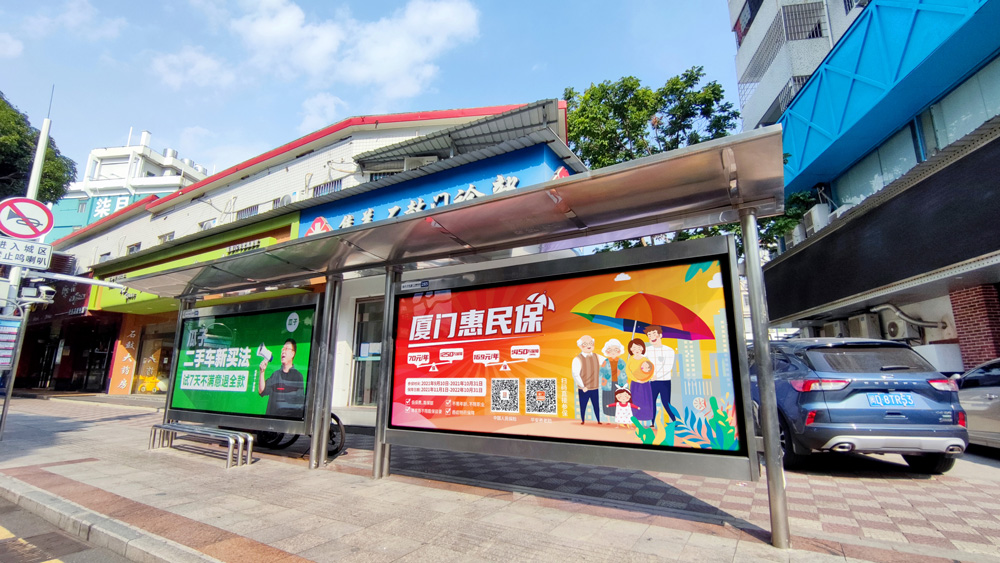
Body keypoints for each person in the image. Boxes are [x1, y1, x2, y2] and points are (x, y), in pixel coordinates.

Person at [258, 338, 306, 418]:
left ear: (292, 354)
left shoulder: (297, 376)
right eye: (282, 349)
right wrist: (262, 372)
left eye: (286, 349)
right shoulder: (275, 374)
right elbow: (262, 391)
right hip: (271, 420)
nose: (283, 351)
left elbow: (299, 404)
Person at [644, 325, 676, 426]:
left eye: (654, 334)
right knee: (651, 402)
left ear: (660, 335)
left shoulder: (669, 350)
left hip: (664, 381)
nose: (652, 337)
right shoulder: (647, 350)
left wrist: (656, 376)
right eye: (649, 335)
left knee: (666, 403)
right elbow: (641, 362)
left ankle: (675, 420)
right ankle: (652, 422)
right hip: (652, 381)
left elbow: (668, 367)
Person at [571, 335, 602, 425]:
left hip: (595, 387)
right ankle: (583, 420)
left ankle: (598, 420)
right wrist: (582, 386)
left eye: (591, 343)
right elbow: (575, 374)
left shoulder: (597, 356)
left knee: (596, 405)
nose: (589, 345)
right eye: (585, 344)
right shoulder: (577, 359)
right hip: (584, 388)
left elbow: (606, 362)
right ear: (580, 346)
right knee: (583, 405)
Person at [625, 338, 654, 427]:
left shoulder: (645, 359)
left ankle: (645, 422)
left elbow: (651, 371)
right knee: (635, 401)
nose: (636, 350)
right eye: (634, 348)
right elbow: (628, 371)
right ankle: (635, 421)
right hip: (635, 384)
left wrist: (645, 380)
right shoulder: (630, 359)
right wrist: (636, 379)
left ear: (642, 348)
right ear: (630, 349)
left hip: (645, 384)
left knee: (645, 401)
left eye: (639, 347)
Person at [599, 339, 627, 419]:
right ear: (607, 351)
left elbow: (625, 372)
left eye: (615, 350)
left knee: (619, 399)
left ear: (619, 351)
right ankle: (608, 416)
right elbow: (601, 372)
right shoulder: (605, 361)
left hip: (619, 383)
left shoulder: (621, 361)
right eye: (610, 350)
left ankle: (618, 415)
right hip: (607, 383)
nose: (613, 352)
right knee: (608, 399)